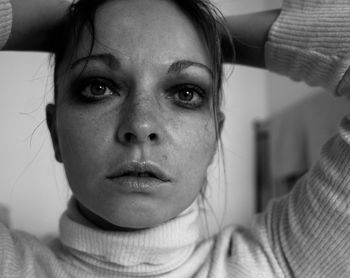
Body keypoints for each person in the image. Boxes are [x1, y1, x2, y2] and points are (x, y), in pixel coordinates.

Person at [0, 0, 350, 277]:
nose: (140, 125)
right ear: (55, 131)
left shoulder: (279, 265)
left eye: (185, 92)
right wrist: (67, 24)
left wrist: (211, 36)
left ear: (215, 137)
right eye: (99, 86)